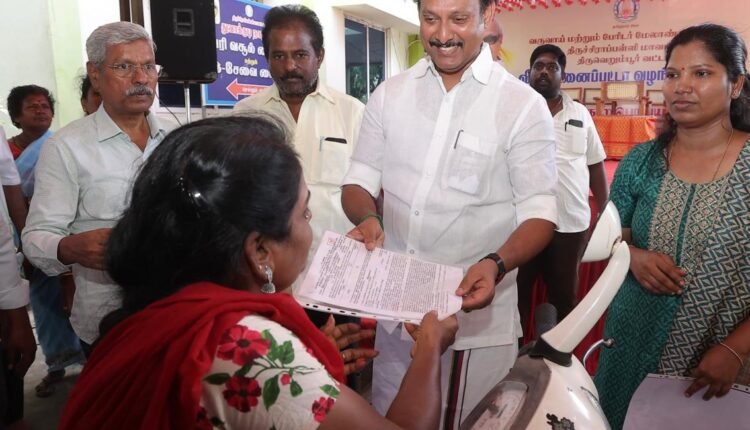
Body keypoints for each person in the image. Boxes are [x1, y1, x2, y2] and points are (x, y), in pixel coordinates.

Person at [58, 115, 458, 430]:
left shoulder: (161, 307)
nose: (311, 225)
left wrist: (304, 367)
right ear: (260, 251)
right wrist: (429, 348)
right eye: (303, 212)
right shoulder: (249, 350)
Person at [341, 0, 558, 427]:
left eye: (458, 19)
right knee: (392, 421)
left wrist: (496, 263)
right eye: (430, 19)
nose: (442, 35)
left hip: (476, 328)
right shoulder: (390, 95)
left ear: (487, 15)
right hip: (399, 318)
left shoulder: (521, 107)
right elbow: (357, 182)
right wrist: (368, 218)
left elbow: (540, 216)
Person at [594, 23, 750, 430]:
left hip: (721, 362)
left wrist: (735, 350)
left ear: (735, 85)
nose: (682, 86)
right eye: (673, 74)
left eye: (701, 73)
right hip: (630, 348)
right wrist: (631, 255)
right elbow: (609, 239)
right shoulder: (641, 161)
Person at [22, 21, 173, 357]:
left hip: (177, 314)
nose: (141, 78)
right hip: (108, 325)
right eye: (124, 67)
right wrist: (70, 248)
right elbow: (36, 237)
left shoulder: (177, 138)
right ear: (95, 74)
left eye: (149, 66)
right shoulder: (66, 147)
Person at [233, 5, 367, 330]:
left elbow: (370, 190)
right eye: (278, 56)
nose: (289, 66)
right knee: (277, 361)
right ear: (266, 58)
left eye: (300, 55)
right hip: (269, 283)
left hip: (338, 282)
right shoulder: (244, 115)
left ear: (319, 55)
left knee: (340, 358)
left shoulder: (352, 113)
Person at [517, 45, 608, 335]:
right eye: (538, 66)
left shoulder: (580, 113)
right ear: (529, 73)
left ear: (562, 74)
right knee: (516, 295)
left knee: (565, 298)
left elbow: (595, 164)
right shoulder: (518, 111)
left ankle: (559, 354)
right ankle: (514, 353)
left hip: (570, 223)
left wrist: (606, 211)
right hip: (523, 221)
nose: (544, 71)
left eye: (552, 67)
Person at [7, 85, 87, 397]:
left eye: (45, 106)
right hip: (22, 236)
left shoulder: (61, 143)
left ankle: (86, 361)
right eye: (32, 106)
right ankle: (56, 364)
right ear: (16, 115)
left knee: (75, 301)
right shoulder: (8, 151)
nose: (41, 111)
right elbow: (12, 200)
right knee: (44, 304)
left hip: (64, 233)